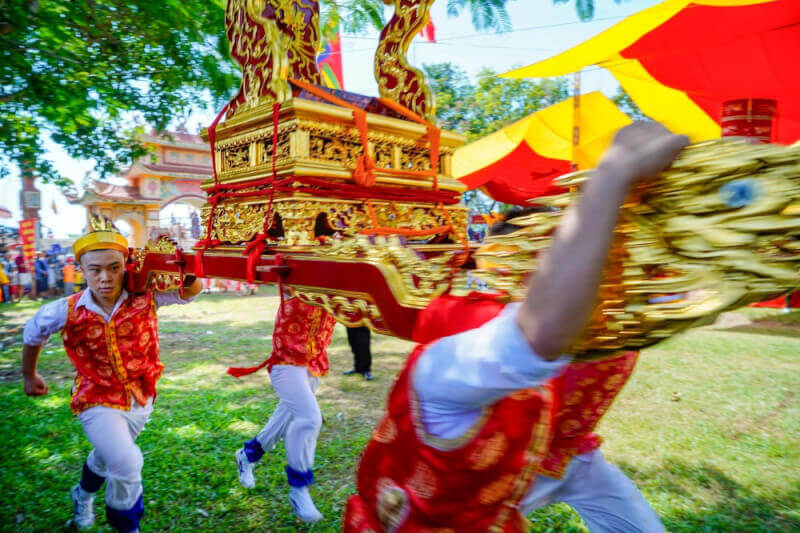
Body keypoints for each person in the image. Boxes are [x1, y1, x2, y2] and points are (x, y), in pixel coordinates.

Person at [343, 122, 689, 532]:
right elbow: (538, 334)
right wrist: (613, 174)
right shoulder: (459, 345)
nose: (589, 274)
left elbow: (667, 296)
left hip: (567, 454)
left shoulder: (606, 308)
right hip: (469, 488)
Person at [21, 216, 203, 532]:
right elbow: (33, 333)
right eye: (95, 269)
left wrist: (177, 263)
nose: (105, 277)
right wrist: (29, 375)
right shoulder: (65, 309)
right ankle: (127, 526)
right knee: (127, 463)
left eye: (113, 267)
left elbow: (192, 290)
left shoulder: (147, 295)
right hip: (96, 396)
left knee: (108, 458)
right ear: (81, 269)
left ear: (125, 265)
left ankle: (82, 495)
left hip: (140, 396)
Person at [231, 290, 337, 523]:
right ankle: (299, 488)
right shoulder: (300, 275)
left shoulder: (340, 284)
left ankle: (248, 455)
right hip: (286, 364)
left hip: (313, 364)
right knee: (309, 419)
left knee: (284, 419)